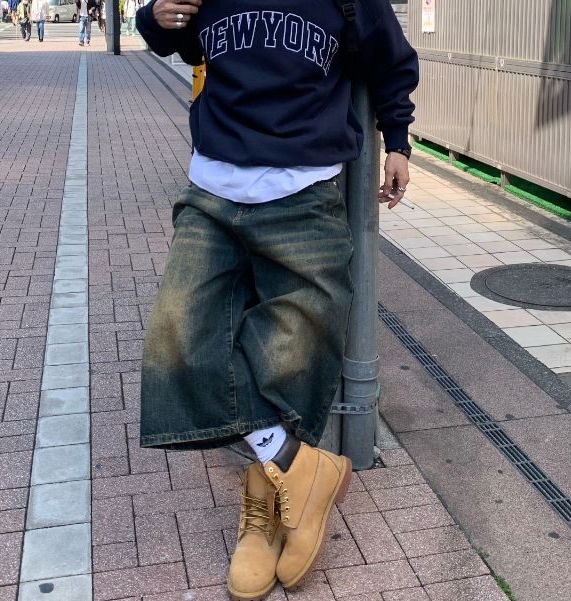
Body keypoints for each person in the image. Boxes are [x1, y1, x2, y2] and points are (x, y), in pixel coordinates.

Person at [136, 0, 418, 599]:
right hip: (212, 192)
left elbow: (391, 61)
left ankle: (265, 497)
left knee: (294, 349)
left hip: (303, 195)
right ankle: (302, 466)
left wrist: (398, 140)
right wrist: (153, 17)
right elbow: (173, 37)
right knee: (175, 340)